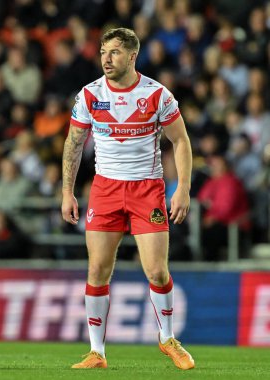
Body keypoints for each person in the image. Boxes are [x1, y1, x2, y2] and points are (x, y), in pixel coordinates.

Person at [61, 28, 194, 371]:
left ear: (133, 56)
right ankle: (96, 353)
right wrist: (67, 191)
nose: (106, 58)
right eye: (103, 52)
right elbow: (74, 144)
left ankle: (167, 339)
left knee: (157, 271)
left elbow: (180, 141)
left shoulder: (157, 94)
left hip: (146, 189)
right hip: (104, 190)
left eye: (115, 52)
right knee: (97, 270)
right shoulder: (90, 94)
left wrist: (182, 188)